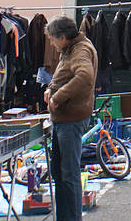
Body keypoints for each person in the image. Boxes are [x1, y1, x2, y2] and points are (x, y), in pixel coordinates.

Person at [42, 16, 97, 221]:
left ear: (63, 37)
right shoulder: (70, 49)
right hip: (64, 119)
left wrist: (58, 95)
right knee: (60, 172)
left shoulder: (80, 50)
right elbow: (63, 76)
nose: (51, 43)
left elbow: (85, 75)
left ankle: (72, 217)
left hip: (71, 119)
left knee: (69, 174)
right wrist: (51, 89)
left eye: (52, 39)